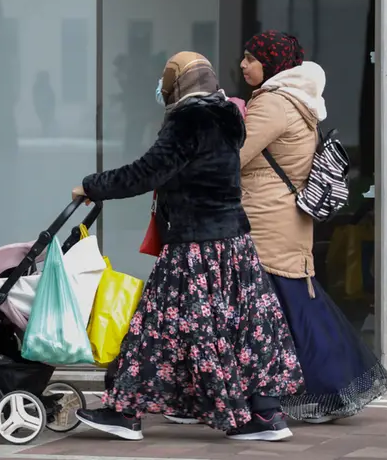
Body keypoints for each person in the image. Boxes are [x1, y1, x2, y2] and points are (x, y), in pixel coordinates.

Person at [71, 51, 304, 442]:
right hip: (235, 244)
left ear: (176, 84)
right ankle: (265, 414)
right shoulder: (228, 117)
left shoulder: (188, 119)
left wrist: (91, 186)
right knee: (245, 327)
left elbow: (147, 172)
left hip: (194, 246)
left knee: (156, 327)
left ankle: (124, 411)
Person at [167, 30, 387, 425]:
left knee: (281, 309)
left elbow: (234, 157)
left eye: (252, 58)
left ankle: (319, 389)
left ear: (272, 63)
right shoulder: (296, 100)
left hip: (266, 220)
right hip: (280, 218)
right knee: (288, 307)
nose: (243, 65)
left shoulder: (272, 103)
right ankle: (304, 391)